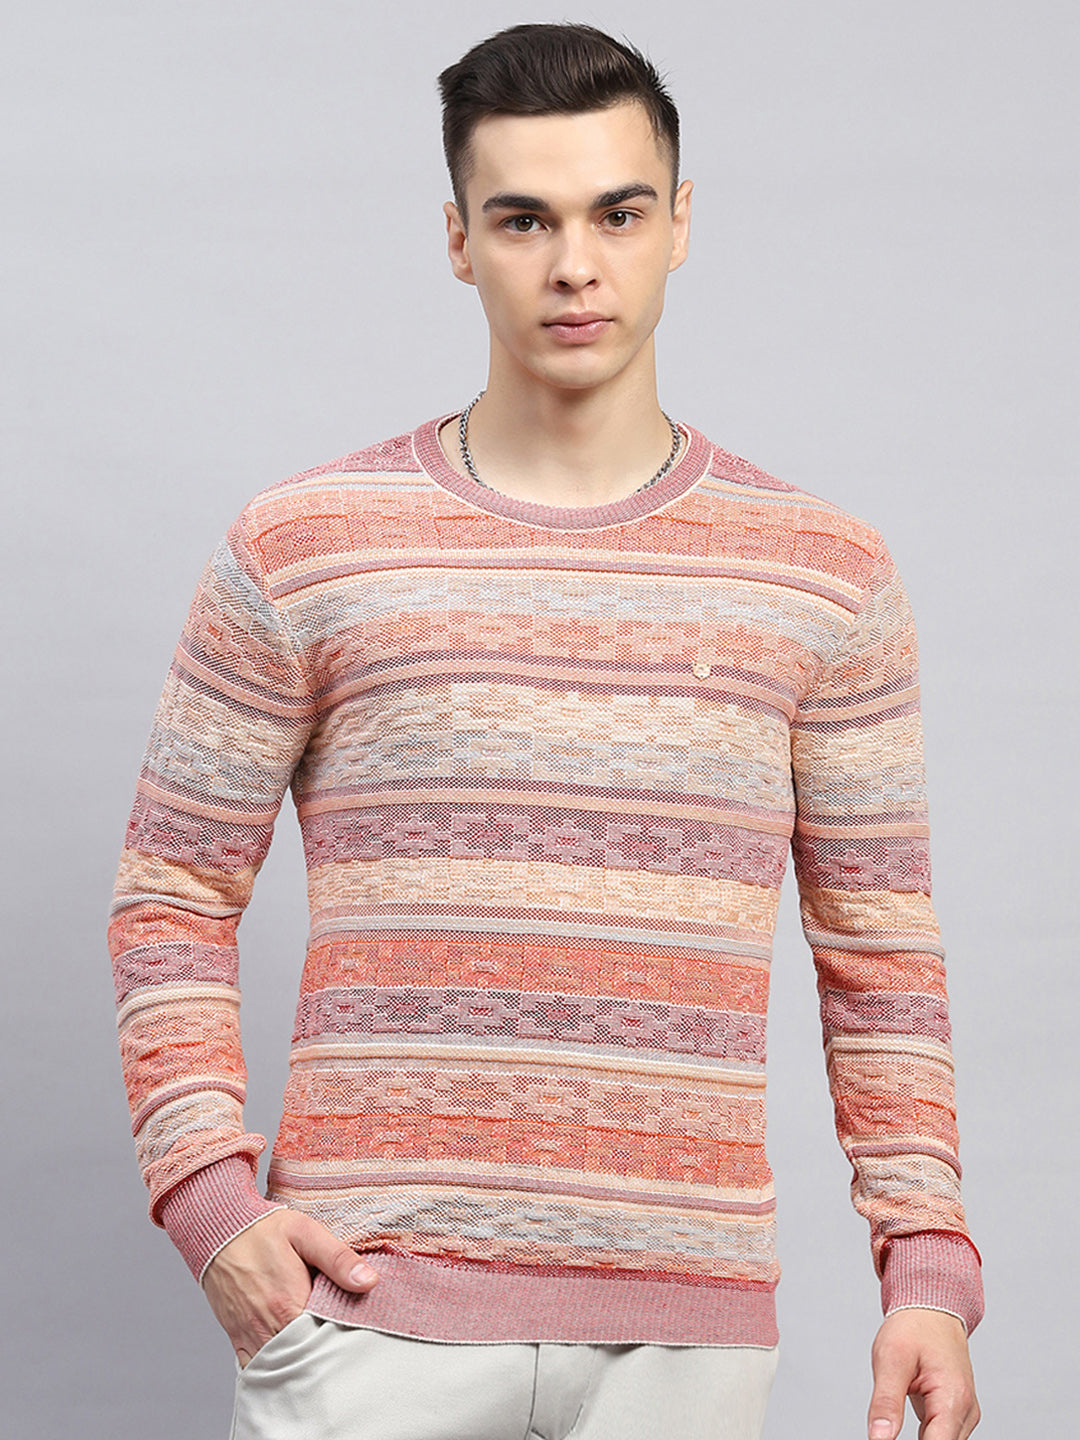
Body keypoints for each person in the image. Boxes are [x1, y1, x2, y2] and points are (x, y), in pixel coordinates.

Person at [108, 22, 982, 1440]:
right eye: (524, 220)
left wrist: (926, 1270)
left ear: (681, 224)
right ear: (459, 240)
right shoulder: (304, 547)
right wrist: (211, 1203)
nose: (576, 264)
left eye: (617, 214)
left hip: (685, 1345)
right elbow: (171, 891)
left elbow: (881, 953)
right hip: (367, 1319)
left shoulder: (824, 576)